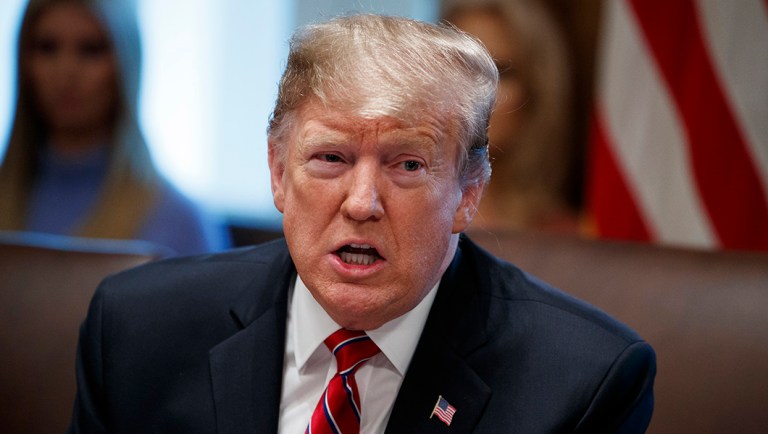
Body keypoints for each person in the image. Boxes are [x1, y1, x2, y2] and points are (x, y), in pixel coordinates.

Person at [69, 14, 655, 433]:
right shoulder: (138, 330)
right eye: (331, 158)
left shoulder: (583, 384)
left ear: (468, 193)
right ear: (278, 172)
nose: (361, 203)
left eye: (407, 165)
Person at [0, 0, 229, 256]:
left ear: (127, 61)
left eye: (91, 49)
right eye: (47, 47)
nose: (66, 71)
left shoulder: (179, 224)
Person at [443, 0, 580, 233]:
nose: (476, 91)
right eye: (461, 67)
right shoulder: (384, 208)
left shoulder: (564, 235)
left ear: (535, 94)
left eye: (500, 72)